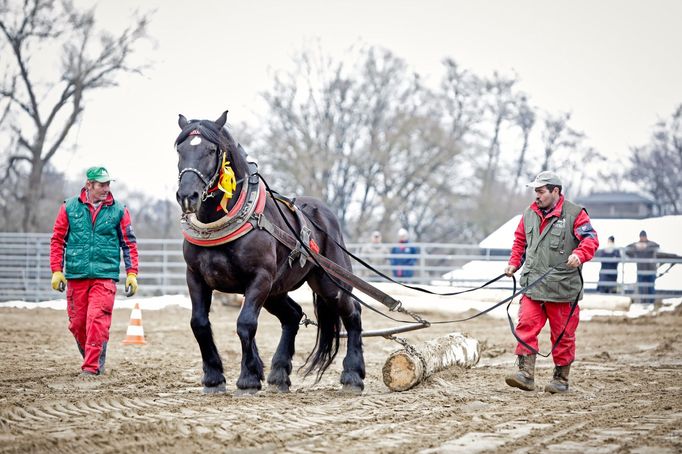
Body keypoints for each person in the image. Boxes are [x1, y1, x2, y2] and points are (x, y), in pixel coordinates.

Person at [503, 171, 599, 394]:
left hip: (563, 289)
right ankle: (525, 374)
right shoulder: (529, 213)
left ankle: (561, 379)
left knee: (563, 335)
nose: (536, 196)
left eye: (541, 191)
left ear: (556, 191)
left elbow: (590, 239)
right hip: (533, 285)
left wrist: (580, 254)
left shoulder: (576, 214)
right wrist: (513, 263)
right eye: (535, 191)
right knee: (525, 325)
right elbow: (520, 241)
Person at [50, 166, 139, 377]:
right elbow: (57, 239)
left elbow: (129, 244)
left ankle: (91, 367)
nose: (106, 188)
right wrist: (56, 270)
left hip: (104, 276)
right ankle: (97, 356)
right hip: (76, 275)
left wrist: (132, 273)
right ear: (89, 185)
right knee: (78, 324)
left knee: (96, 319)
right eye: (101, 184)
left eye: (108, 184)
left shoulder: (119, 210)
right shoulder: (69, 207)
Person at [624, 231, 679, 304]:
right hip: (641, 270)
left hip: (651, 270)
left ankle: (651, 303)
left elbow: (656, 245)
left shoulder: (651, 244)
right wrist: (636, 245)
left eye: (644, 236)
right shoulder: (637, 246)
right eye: (641, 237)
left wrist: (646, 246)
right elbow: (627, 249)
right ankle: (643, 302)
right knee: (641, 288)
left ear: (646, 237)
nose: (643, 238)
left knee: (650, 287)